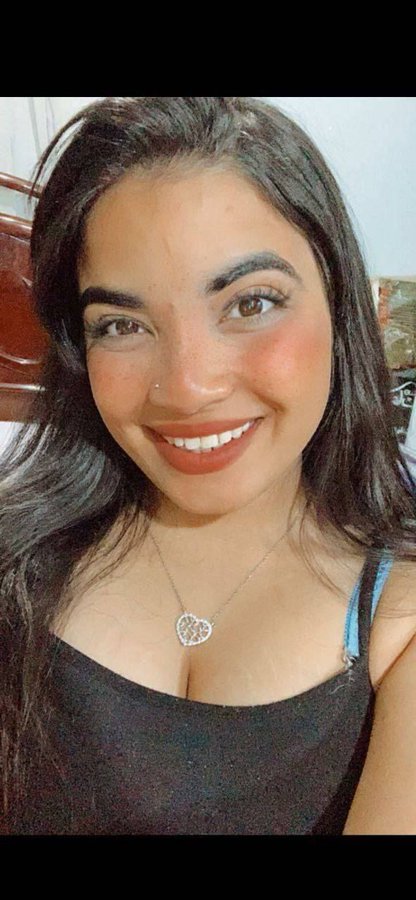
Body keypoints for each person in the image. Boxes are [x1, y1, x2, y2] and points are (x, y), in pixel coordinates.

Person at [1, 97, 415, 836]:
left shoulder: (398, 620)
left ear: (344, 304)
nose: (187, 388)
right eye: (122, 324)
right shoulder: (18, 557)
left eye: (251, 303)